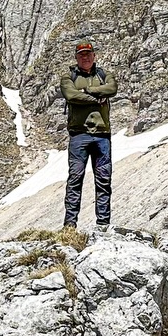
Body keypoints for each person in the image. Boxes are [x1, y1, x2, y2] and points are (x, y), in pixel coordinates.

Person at [60, 41, 117, 232]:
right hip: (79, 135)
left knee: (104, 180)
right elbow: (71, 95)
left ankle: (103, 224)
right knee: (75, 179)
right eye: (81, 55)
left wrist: (87, 91)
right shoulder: (69, 76)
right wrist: (95, 98)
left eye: (88, 54)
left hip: (102, 136)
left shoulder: (103, 75)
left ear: (94, 56)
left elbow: (112, 89)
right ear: (76, 58)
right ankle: (70, 226)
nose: (85, 57)